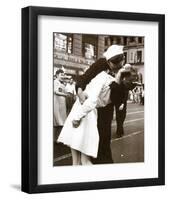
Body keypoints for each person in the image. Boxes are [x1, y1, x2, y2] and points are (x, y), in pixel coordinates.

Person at [57, 62, 126, 165]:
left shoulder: (100, 78)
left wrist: (77, 117)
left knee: (80, 159)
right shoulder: (105, 80)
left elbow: (92, 101)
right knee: (81, 158)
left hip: (83, 114)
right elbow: (99, 101)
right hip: (86, 114)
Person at [73, 44, 125, 164]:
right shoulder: (101, 64)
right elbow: (84, 77)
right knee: (91, 140)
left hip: (107, 107)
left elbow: (118, 97)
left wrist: (118, 79)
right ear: (108, 61)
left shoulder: (123, 71)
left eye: (118, 65)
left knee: (104, 139)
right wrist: (80, 90)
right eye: (113, 64)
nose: (115, 67)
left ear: (122, 60)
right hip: (94, 107)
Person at [53, 69, 67, 141]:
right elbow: (56, 91)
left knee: (60, 123)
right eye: (61, 75)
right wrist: (65, 94)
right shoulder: (55, 82)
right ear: (57, 75)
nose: (62, 76)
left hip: (61, 105)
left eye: (63, 75)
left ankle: (57, 139)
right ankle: (54, 139)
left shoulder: (61, 83)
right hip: (57, 103)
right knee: (57, 122)